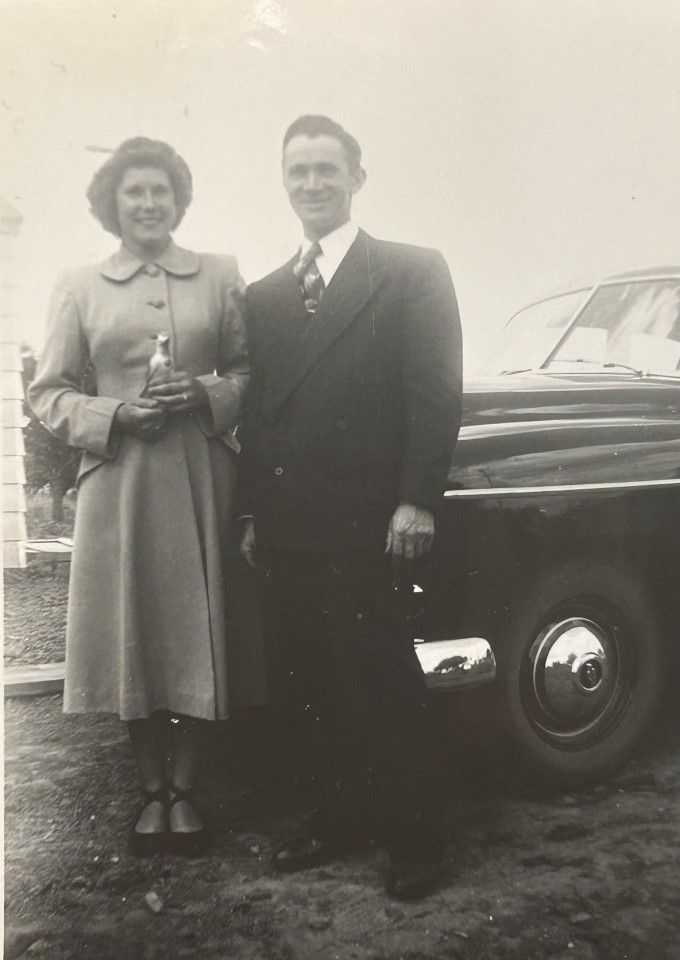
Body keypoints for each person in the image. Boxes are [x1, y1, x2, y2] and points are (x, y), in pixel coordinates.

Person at [238, 115, 463, 898]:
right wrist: (253, 515)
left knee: (383, 683)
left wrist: (417, 502)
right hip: (292, 524)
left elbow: (434, 395)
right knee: (312, 685)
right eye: (296, 170)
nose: (310, 184)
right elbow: (261, 412)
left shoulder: (409, 270)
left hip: (372, 523)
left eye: (326, 169)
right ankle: (338, 821)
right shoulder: (263, 295)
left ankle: (416, 844)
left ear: (356, 178)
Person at [29, 136, 260, 855]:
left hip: (199, 477)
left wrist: (204, 391)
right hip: (119, 483)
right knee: (134, 634)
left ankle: (185, 792)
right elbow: (49, 392)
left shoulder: (220, 275)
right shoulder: (78, 284)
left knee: (195, 630)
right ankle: (149, 791)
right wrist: (114, 415)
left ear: (178, 199)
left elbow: (251, 374)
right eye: (134, 191)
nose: (149, 203)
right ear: (112, 204)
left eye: (161, 189)